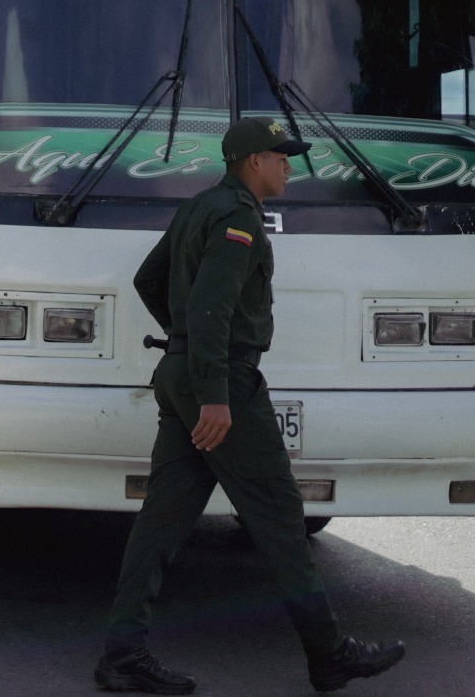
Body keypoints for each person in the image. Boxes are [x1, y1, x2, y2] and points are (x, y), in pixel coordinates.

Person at [95, 118, 405, 696]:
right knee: (281, 518)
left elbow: (147, 278)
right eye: (279, 156)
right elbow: (213, 305)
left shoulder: (199, 206)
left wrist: (182, 343)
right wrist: (214, 389)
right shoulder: (238, 216)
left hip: (182, 372)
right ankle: (330, 654)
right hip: (224, 381)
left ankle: (123, 653)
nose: (288, 164)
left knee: (162, 521)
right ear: (250, 161)